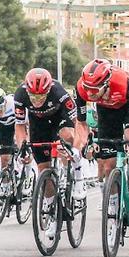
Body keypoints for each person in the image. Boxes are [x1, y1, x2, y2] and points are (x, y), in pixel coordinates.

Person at [74, 58, 129, 211]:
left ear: (106, 84)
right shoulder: (82, 88)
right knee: (108, 166)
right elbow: (81, 122)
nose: (89, 93)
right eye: (87, 88)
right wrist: (86, 142)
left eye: (94, 90)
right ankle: (113, 203)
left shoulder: (123, 84)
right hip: (106, 112)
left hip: (128, 109)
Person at [13, 68, 79, 216]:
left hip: (60, 118)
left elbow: (77, 122)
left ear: (48, 90)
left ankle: (73, 172)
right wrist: (22, 148)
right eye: (33, 97)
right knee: (43, 169)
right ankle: (51, 209)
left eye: (41, 96)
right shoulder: (20, 95)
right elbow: (20, 126)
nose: (37, 100)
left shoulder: (59, 93)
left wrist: (74, 144)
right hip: (38, 124)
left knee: (66, 135)